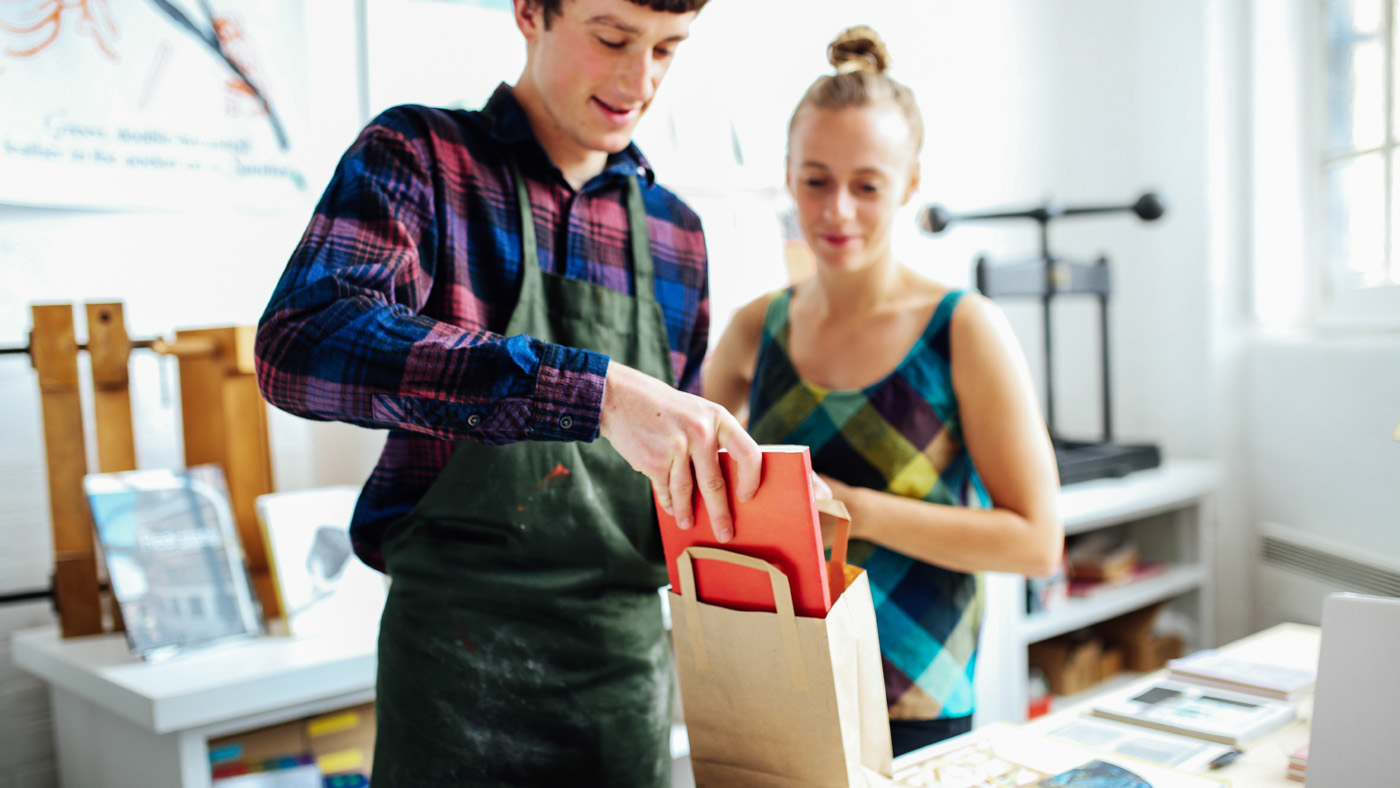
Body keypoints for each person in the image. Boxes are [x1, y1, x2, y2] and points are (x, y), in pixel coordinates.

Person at [253, 0, 763, 784]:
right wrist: (594, 393)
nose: (640, 79)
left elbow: (672, 490)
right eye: (613, 37)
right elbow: (301, 341)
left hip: (618, 683)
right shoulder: (420, 159)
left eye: (667, 48)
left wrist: (761, 516)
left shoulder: (676, 234)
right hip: (454, 672)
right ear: (530, 11)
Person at [704, 25, 1064, 756]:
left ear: (910, 185)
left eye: (866, 185)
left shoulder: (963, 330)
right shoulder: (755, 329)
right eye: (815, 180)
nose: (837, 211)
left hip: (918, 702)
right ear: (788, 175)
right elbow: (698, 487)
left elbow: (1036, 542)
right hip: (777, 690)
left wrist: (856, 511)